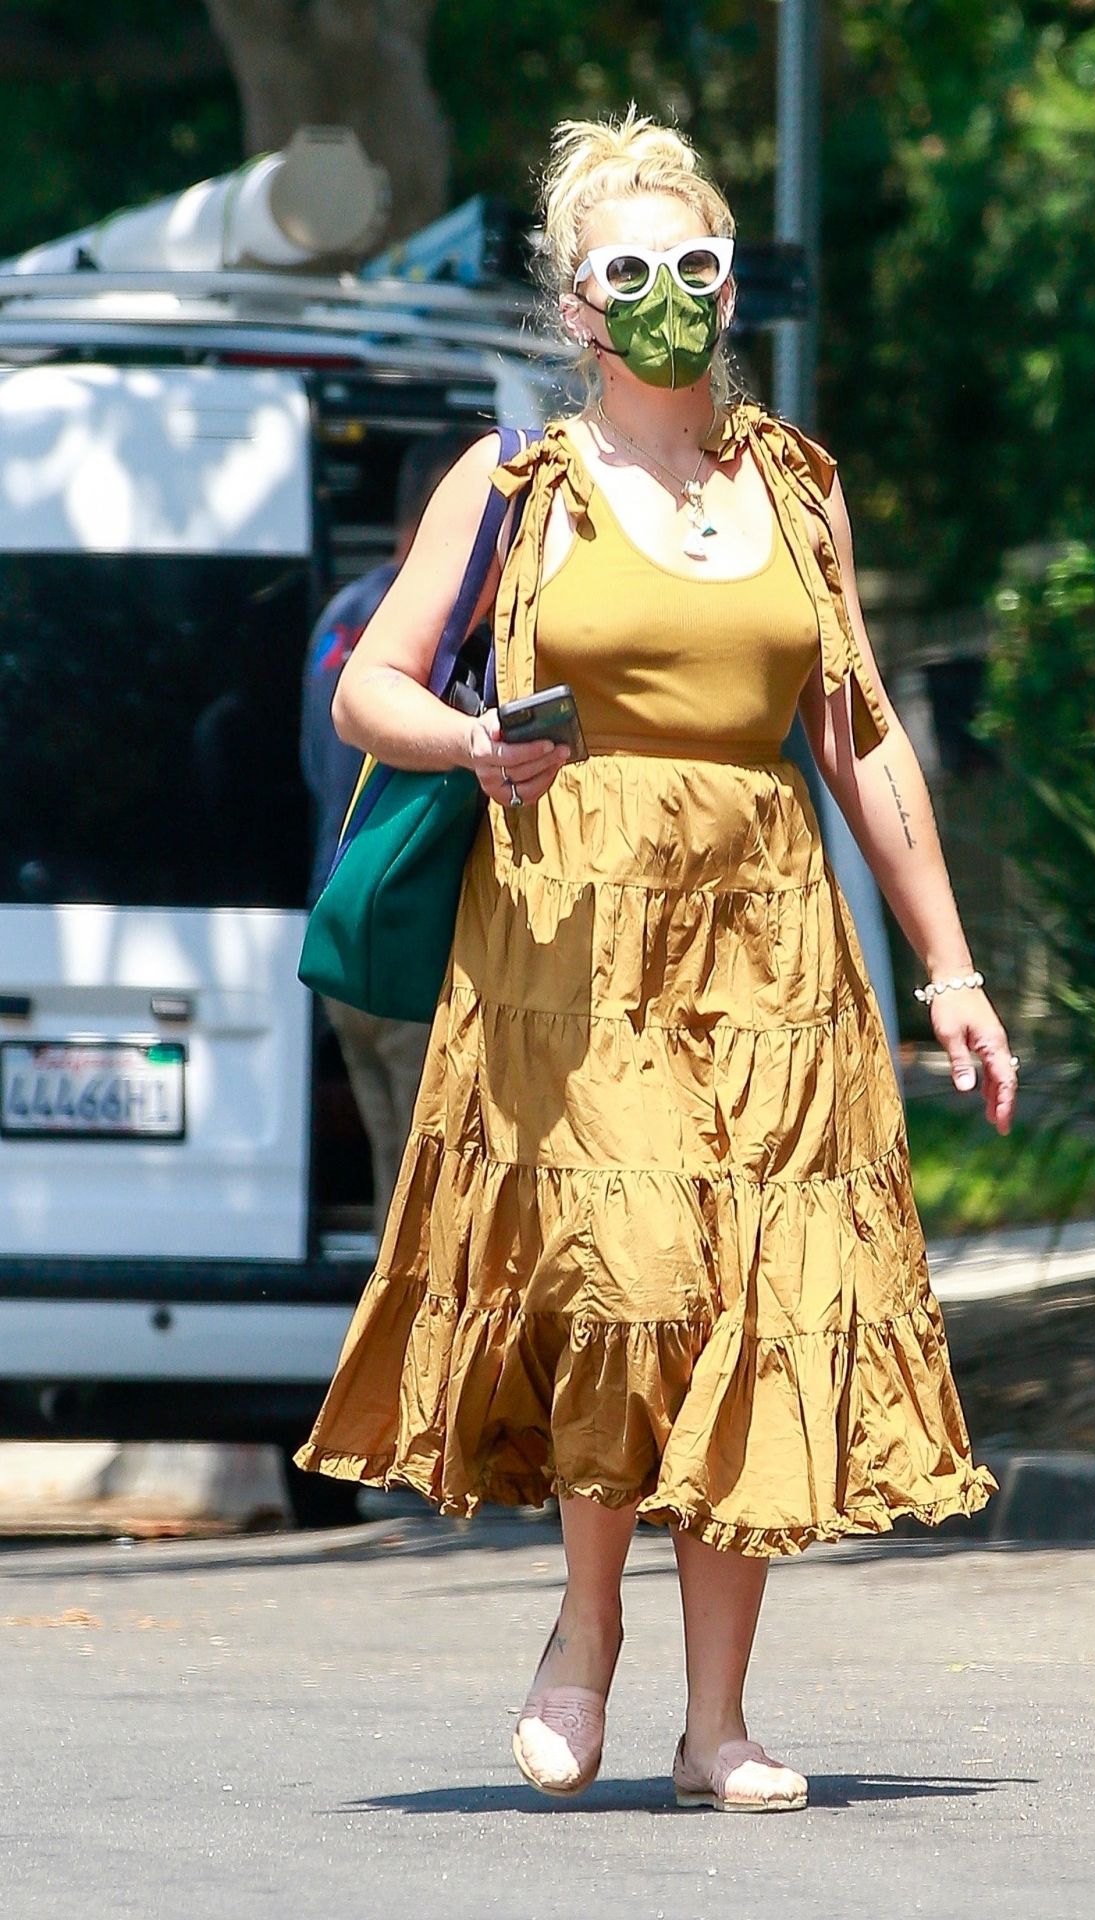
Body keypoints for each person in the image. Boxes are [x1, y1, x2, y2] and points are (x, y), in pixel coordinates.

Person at [294, 108, 1014, 1814]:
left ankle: (719, 1726)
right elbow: (365, 689)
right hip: (576, 940)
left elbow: (864, 744)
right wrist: (475, 744)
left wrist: (953, 969)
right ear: (577, 310)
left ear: (732, 280)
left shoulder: (795, 486)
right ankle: (584, 1624)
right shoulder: (514, 486)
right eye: (635, 272)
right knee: (627, 1280)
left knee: (753, 1306)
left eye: (700, 264)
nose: (675, 296)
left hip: (771, 941)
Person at [300, 437, 468, 1229]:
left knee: (390, 1183)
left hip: (341, 921)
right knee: (427, 1199)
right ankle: (411, 1353)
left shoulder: (340, 616)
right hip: (407, 930)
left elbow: (312, 763)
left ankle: (388, 1346)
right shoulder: (436, 633)